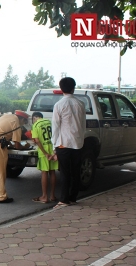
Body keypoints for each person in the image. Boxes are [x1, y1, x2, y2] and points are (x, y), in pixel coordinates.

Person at [51, 77, 86, 209]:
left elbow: (55, 126)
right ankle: (72, 197)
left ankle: (64, 200)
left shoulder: (59, 105)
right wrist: (81, 139)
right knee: (76, 171)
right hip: (77, 142)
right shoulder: (80, 104)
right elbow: (83, 124)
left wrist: (55, 145)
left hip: (63, 143)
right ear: (73, 87)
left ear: (61, 89)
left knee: (65, 172)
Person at [0, 111, 31, 203]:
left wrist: (9, 143)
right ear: (22, 119)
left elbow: (3, 133)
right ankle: (2, 196)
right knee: (1, 170)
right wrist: (25, 146)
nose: (24, 124)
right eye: (24, 121)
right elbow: (18, 146)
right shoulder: (17, 124)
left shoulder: (6, 116)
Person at [30, 111, 58, 203]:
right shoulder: (49, 122)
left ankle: (44, 197)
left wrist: (45, 153)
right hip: (52, 149)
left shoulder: (35, 125)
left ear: (34, 118)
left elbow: (37, 141)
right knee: (52, 172)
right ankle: (52, 195)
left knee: (44, 172)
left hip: (44, 152)